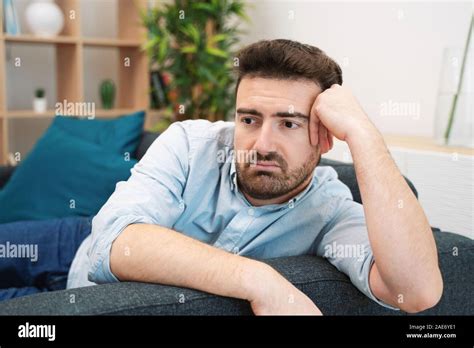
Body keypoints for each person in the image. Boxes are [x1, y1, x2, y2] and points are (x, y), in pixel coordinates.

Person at [2, 40, 443, 314]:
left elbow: (417, 292)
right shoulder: (191, 143)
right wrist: (261, 281)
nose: (261, 143)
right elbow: (115, 241)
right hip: (71, 242)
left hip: (78, 303)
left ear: (324, 137)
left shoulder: (329, 213)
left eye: (289, 123)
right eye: (249, 119)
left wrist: (364, 134)